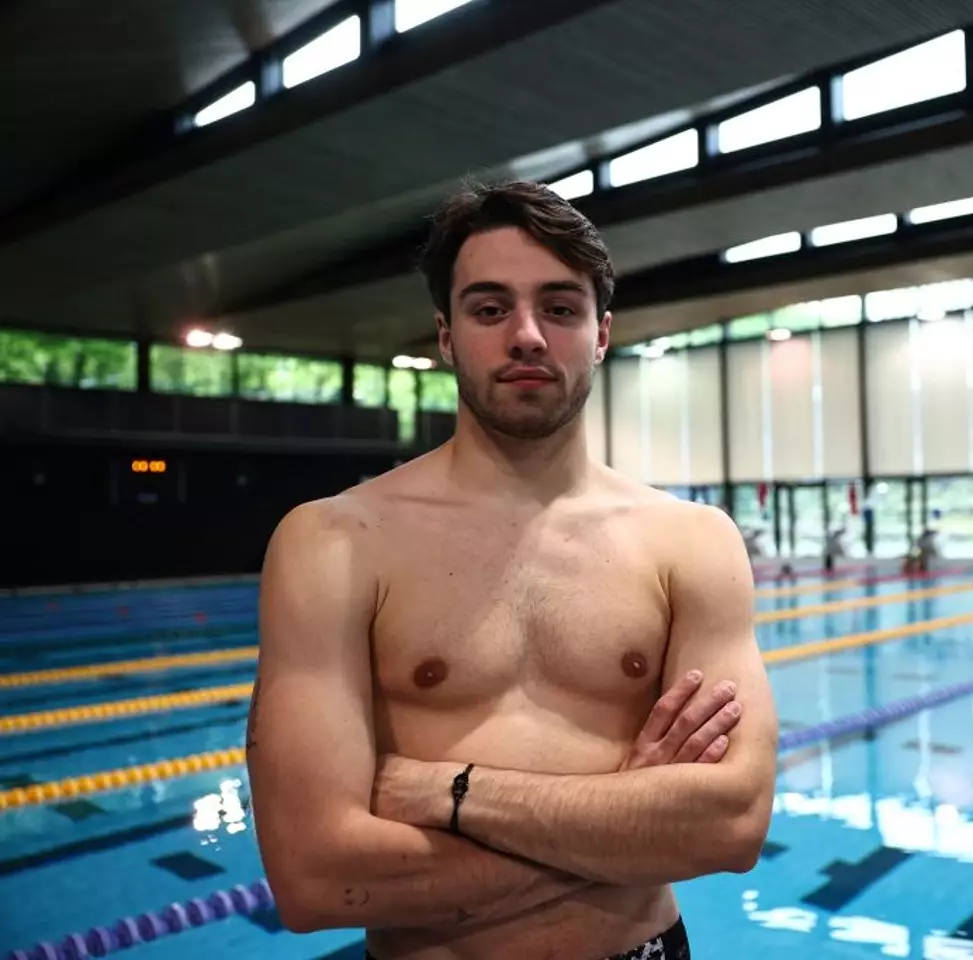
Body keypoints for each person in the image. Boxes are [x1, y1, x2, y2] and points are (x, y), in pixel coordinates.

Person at [245, 179, 779, 960]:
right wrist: (628, 823)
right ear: (446, 335)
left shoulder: (692, 542)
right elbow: (315, 879)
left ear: (600, 334)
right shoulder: (334, 542)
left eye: (559, 309)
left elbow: (731, 826)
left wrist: (446, 791)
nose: (526, 335)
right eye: (490, 309)